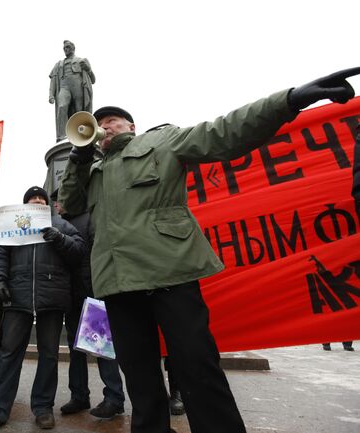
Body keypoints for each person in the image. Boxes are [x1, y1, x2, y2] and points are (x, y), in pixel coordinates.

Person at [58, 68, 360, 433]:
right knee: (140, 378)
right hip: (118, 284)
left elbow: (224, 131)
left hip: (171, 272)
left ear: (132, 126)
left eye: (113, 121)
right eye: (99, 123)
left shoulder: (163, 141)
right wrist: (78, 158)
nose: (104, 127)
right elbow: (70, 203)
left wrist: (289, 99)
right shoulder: (91, 170)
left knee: (198, 369)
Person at [0, 186, 86, 433]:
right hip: (17, 297)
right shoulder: (12, 225)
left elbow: (79, 252)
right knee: (9, 354)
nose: (37, 200)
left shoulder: (61, 224)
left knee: (49, 354)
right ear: (25, 204)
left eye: (41, 198)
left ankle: (43, 408)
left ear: (47, 204)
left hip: (52, 298)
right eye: (32, 198)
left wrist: (59, 238)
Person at [49, 189, 126, 419]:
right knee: (76, 349)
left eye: (60, 200)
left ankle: (114, 397)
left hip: (90, 291)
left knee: (100, 346)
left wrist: (96, 287)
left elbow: (97, 253)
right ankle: (79, 395)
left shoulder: (89, 218)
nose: (56, 205)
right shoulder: (60, 224)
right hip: (69, 294)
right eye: (54, 202)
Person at [49, 40, 95, 141]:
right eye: (64, 48)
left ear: (73, 48)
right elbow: (53, 80)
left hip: (78, 85)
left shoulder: (81, 60)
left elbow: (93, 80)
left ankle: (80, 135)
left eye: (68, 47)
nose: (66, 49)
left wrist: (88, 69)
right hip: (64, 87)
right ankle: (61, 136)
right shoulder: (59, 64)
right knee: (62, 107)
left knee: (79, 111)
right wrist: (51, 95)